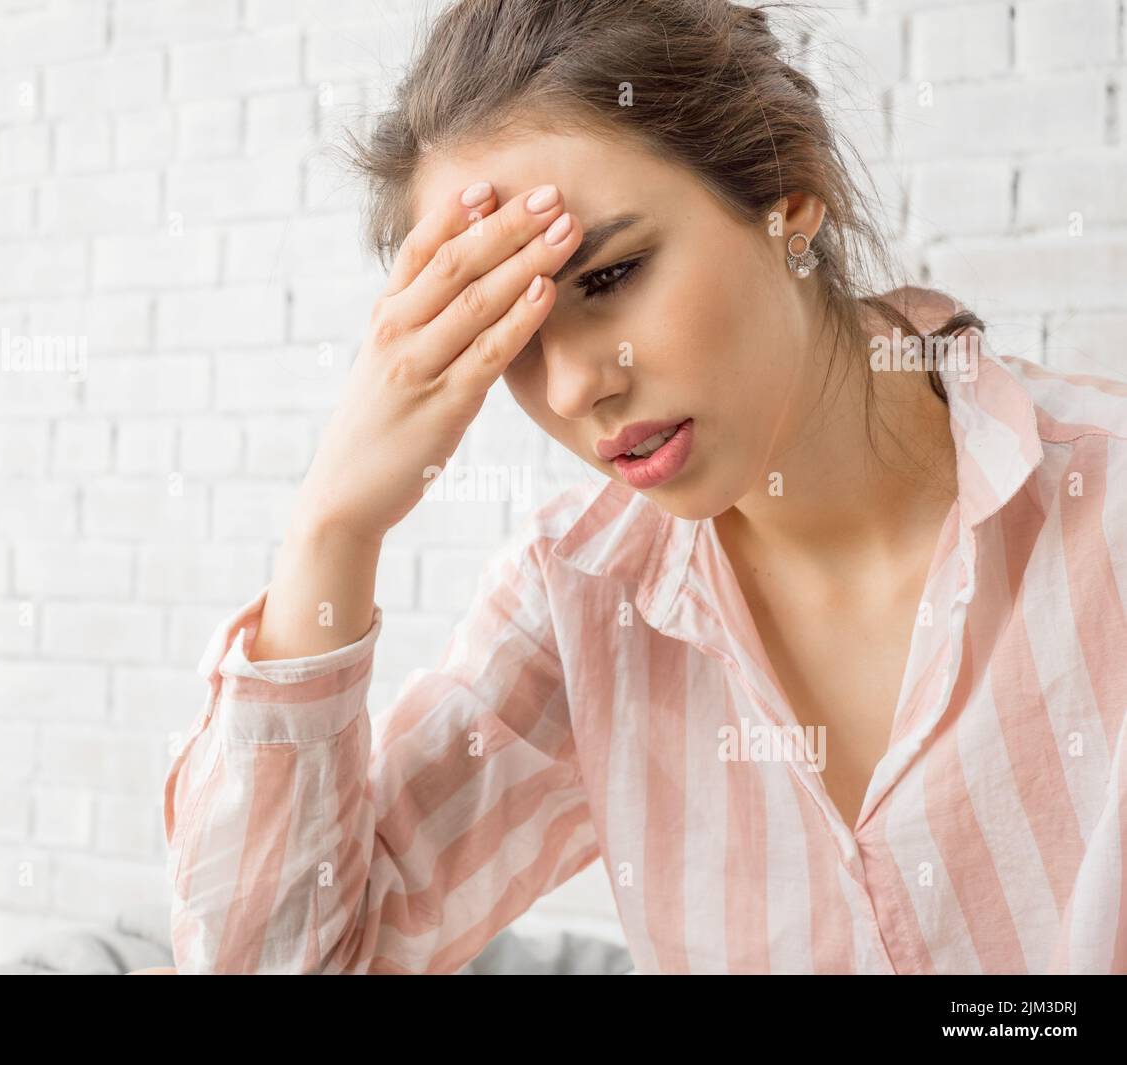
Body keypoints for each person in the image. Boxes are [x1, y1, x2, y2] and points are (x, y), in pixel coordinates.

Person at [162, 0, 1127, 974]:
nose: (578, 384)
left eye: (612, 273)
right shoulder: (580, 602)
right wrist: (334, 525)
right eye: (506, 333)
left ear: (785, 199)